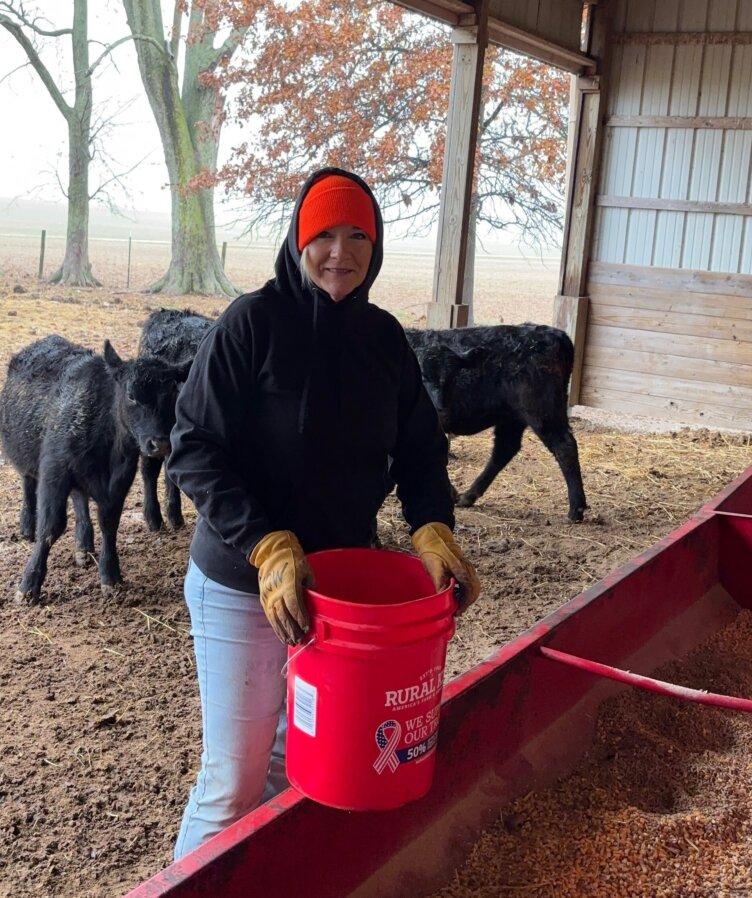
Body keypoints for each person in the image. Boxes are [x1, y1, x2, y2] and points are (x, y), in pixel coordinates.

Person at [166, 167, 480, 858]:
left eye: (358, 237)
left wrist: (432, 526)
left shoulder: (383, 340)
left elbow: (422, 452)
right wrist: (265, 544)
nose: (342, 253)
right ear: (298, 241)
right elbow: (193, 447)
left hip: (336, 598)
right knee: (234, 778)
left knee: (295, 766)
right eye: (325, 236)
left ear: (377, 246)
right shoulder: (252, 324)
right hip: (241, 586)